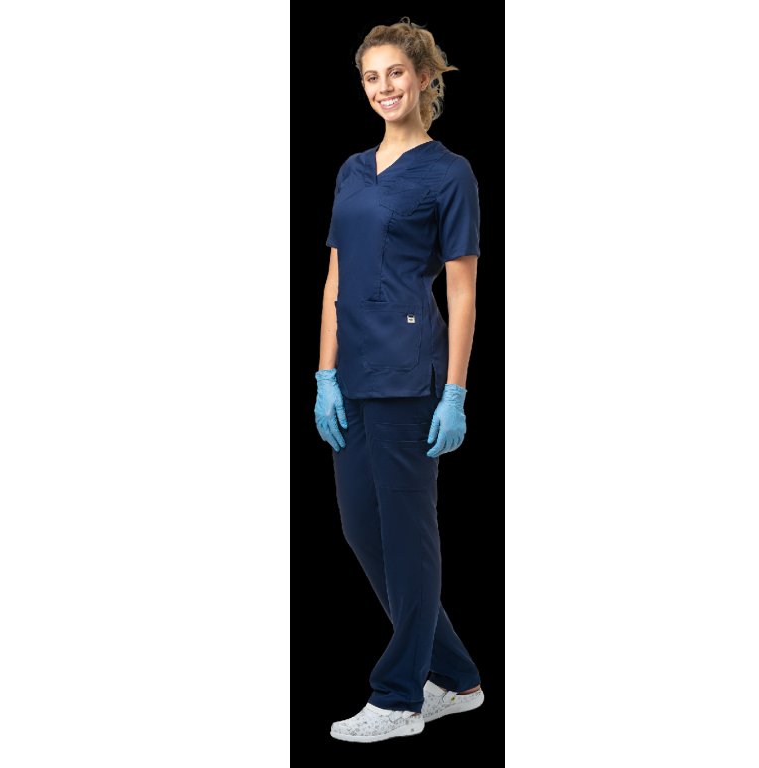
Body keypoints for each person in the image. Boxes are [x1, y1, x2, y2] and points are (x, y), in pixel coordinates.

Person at [313, 18, 485, 744]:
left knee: (409, 540)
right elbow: (335, 277)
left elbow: (464, 291)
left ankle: (400, 696)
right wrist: (323, 373)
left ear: (423, 78)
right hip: (351, 375)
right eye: (370, 76)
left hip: (409, 377)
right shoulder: (353, 170)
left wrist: (456, 391)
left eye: (395, 73)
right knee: (361, 529)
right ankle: (459, 678)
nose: (383, 87)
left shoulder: (449, 173)